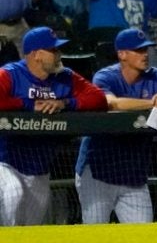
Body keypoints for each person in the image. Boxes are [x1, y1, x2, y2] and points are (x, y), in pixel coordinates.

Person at [76, 28, 157, 224]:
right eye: (138, 51)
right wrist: (154, 103)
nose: (145, 55)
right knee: (94, 235)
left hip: (134, 176)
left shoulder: (156, 76)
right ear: (122, 54)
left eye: (146, 50)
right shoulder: (105, 76)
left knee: (143, 235)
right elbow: (111, 103)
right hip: (98, 172)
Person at [0, 27, 107, 226]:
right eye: (53, 50)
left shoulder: (65, 76)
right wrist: (27, 105)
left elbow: (99, 98)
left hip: (40, 169)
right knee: (12, 195)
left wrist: (66, 103)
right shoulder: (11, 74)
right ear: (36, 55)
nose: (59, 54)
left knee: (31, 229)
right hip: (6, 163)